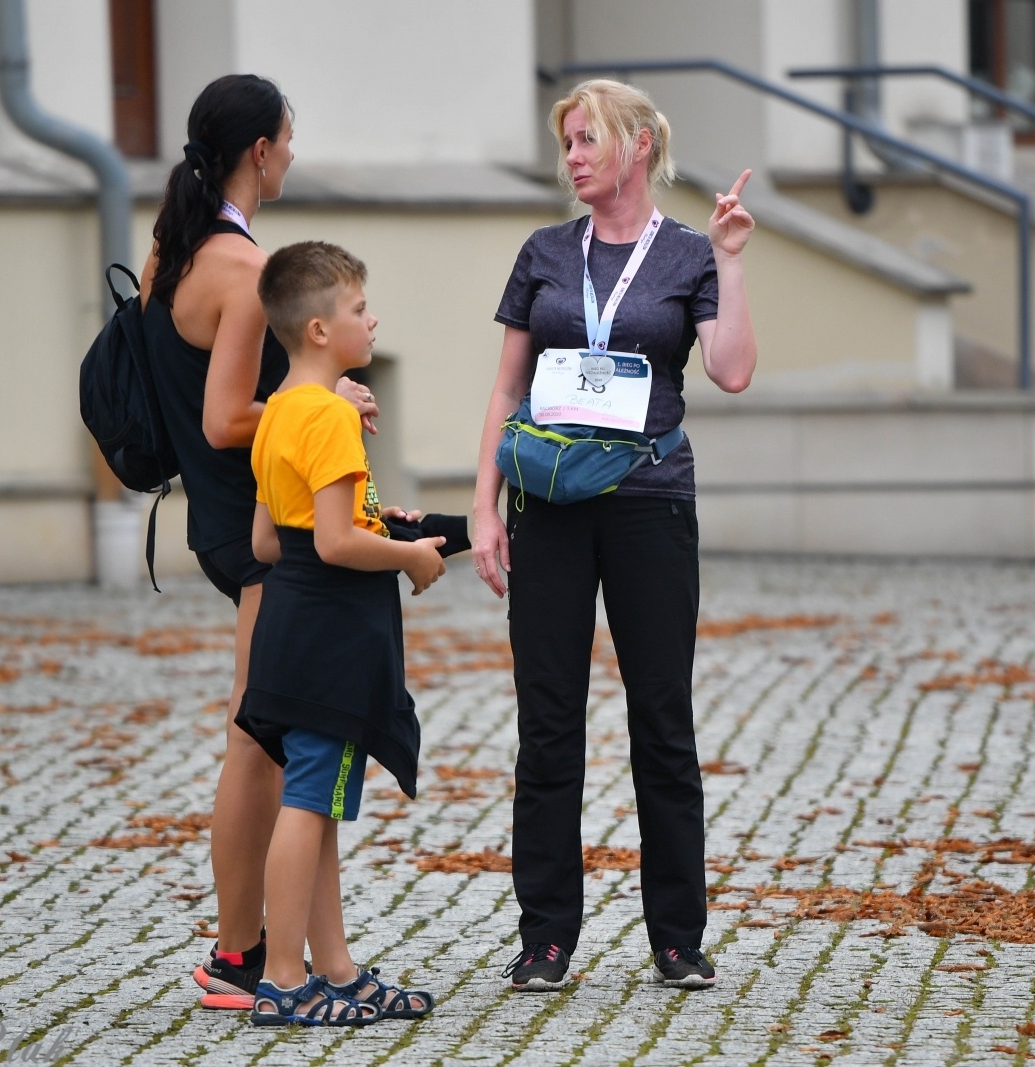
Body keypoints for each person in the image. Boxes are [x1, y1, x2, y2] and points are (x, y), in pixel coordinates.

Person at [470, 78, 757, 991]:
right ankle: (546, 936)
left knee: (661, 721)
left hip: (649, 498)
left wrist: (732, 260)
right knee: (547, 725)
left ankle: (677, 936)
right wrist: (484, 504)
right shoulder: (545, 251)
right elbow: (506, 388)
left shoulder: (687, 256)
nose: (574, 155)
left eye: (589, 138)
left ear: (638, 146)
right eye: (568, 143)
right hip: (549, 503)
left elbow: (734, 370)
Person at [139, 74, 379, 1011]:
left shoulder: (174, 251)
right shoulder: (242, 270)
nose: (293, 151)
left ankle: (263, 948)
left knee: (263, 730)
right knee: (258, 736)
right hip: (260, 533)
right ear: (262, 153)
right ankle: (241, 956)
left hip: (227, 523)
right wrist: (319, 401)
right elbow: (222, 415)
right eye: (289, 136)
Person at [243, 241, 445, 1026]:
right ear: (321, 329)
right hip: (331, 633)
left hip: (291, 624)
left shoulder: (281, 411)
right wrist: (408, 557)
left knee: (316, 801)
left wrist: (367, 521)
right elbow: (333, 543)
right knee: (307, 803)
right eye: (360, 309)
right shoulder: (327, 414)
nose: (372, 318)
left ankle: (335, 968)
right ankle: (286, 979)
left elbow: (269, 542)